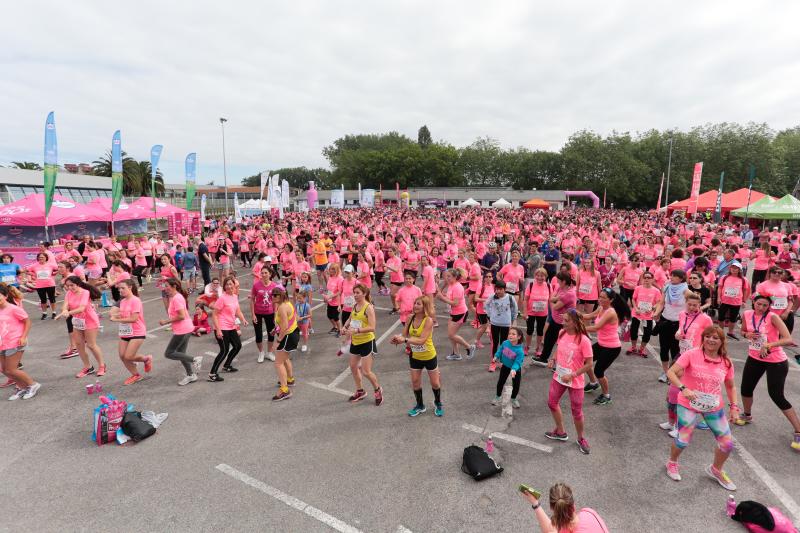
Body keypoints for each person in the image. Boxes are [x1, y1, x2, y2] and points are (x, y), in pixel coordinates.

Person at [665, 326, 739, 490]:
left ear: (721, 341)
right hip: (688, 403)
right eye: (708, 336)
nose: (711, 340)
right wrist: (683, 388)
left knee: (727, 444)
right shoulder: (691, 354)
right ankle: (672, 462)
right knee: (683, 440)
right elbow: (671, 372)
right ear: (703, 338)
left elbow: (731, 386)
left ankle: (716, 470)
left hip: (713, 406)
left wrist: (734, 407)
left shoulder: (726, 362)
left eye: (715, 338)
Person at [737, 294, 800, 451]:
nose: (761, 308)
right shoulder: (747, 314)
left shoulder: (773, 317)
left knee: (777, 395)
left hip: (775, 361)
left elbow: (787, 339)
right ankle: (747, 414)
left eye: (765, 305)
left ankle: (799, 431)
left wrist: (769, 345)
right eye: (759, 304)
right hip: (755, 357)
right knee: (745, 389)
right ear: (754, 303)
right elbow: (743, 331)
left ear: (769, 307)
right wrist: (747, 334)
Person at [546, 309, 593, 454]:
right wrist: (553, 358)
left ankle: (580, 438)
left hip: (575, 380)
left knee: (576, 411)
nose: (563, 322)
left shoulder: (584, 340)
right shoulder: (562, 333)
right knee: (552, 402)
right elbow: (559, 348)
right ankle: (560, 431)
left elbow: (589, 364)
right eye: (563, 319)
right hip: (560, 376)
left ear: (575, 323)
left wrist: (573, 375)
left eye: (566, 321)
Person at [391, 295, 443, 417]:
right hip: (415, 356)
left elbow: (422, 340)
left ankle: (438, 402)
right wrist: (396, 339)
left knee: (435, 383)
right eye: (415, 303)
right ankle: (420, 406)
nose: (415, 306)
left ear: (425, 306)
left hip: (429, 355)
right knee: (415, 382)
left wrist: (404, 341)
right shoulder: (410, 318)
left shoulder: (428, 320)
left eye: (418, 304)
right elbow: (404, 335)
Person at [581, 288, 630, 405]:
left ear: (611, 300)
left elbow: (596, 327)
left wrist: (577, 329)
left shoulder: (611, 312)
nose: (600, 299)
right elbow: (589, 316)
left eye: (603, 297)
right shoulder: (601, 307)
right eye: (600, 296)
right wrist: (575, 314)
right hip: (602, 344)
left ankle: (606, 395)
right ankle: (593, 383)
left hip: (612, 348)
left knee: (599, 371)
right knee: (585, 362)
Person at [56, 276, 106, 378]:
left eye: (72, 285)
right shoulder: (69, 293)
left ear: (78, 284)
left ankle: (102, 365)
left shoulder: (85, 292)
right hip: (77, 321)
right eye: (68, 286)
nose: (70, 288)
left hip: (89, 320)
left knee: (91, 345)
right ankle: (88, 367)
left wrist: (67, 313)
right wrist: (64, 310)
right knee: (79, 345)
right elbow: (65, 305)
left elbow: (81, 308)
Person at [343, 284, 383, 406]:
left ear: (364, 294)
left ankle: (378, 389)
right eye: (354, 292)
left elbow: (372, 327)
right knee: (353, 367)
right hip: (356, 341)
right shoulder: (355, 306)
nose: (355, 295)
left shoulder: (368, 308)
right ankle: (360, 391)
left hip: (367, 342)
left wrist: (357, 330)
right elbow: (350, 319)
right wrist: (344, 327)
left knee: (366, 371)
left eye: (358, 292)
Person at [158, 278, 202, 386]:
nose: (165, 288)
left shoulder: (176, 298)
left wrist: (166, 321)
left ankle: (195, 359)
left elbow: (181, 316)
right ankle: (191, 375)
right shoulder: (175, 297)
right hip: (185, 328)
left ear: (174, 286)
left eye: (167, 286)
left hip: (183, 330)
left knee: (169, 353)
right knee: (181, 354)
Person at [108, 279, 152, 385]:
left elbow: (134, 318)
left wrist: (116, 320)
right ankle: (136, 375)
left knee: (128, 356)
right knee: (122, 356)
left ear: (130, 288)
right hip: (125, 332)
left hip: (137, 332)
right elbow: (124, 314)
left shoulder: (135, 300)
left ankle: (146, 359)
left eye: (123, 288)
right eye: (119, 289)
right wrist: (116, 315)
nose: (120, 291)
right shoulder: (122, 301)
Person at [520, 482, 609, 533]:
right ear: (573, 503)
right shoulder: (588, 512)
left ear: (552, 508)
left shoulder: (563, 530)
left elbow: (549, 530)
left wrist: (535, 503)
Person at [0, 285, 39, 401]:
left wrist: (23, 336)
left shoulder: (13, 308)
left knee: (11, 369)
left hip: (15, 341)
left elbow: (27, 321)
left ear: (6, 296)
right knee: (3, 369)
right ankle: (21, 387)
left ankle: (33, 385)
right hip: (2, 343)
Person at [531, 272, 577, 367]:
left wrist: (552, 302)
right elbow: (551, 298)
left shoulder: (569, 293)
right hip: (555, 319)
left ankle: (560, 365)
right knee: (549, 339)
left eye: (559, 280)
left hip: (563, 323)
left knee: (562, 343)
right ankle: (544, 358)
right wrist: (553, 300)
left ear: (564, 282)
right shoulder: (561, 288)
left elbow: (554, 306)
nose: (557, 282)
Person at [208, 277, 248, 382]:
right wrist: (218, 330)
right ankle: (212, 373)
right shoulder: (222, 298)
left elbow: (237, 310)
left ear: (234, 285)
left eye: (231, 284)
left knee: (237, 346)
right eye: (227, 284)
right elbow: (214, 314)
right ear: (224, 287)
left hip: (231, 326)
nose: (229, 286)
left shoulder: (234, 296)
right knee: (224, 350)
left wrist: (243, 319)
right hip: (222, 327)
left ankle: (227, 365)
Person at [436, 268, 476, 361]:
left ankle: (469, 347)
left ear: (455, 277)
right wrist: (442, 295)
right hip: (454, 313)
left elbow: (455, 303)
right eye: (446, 276)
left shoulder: (457, 287)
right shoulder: (451, 285)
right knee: (451, 334)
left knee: (451, 335)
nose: (447, 278)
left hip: (460, 313)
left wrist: (442, 298)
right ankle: (456, 354)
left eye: (449, 276)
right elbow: (450, 297)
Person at [484, 279, 519, 372]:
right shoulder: (492, 297)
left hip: (506, 325)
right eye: (497, 289)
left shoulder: (510, 298)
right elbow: (486, 305)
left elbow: (515, 309)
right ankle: (493, 362)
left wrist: (513, 320)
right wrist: (490, 314)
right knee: (495, 344)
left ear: (504, 289)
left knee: (505, 344)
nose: (498, 291)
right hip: (494, 324)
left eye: (500, 289)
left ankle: (503, 362)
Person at [272, 286, 299, 401]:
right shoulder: (288, 303)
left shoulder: (282, 307)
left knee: (278, 363)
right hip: (292, 334)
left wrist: (278, 341)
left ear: (280, 296)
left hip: (287, 336)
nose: (272, 297)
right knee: (285, 359)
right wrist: (276, 329)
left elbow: (284, 327)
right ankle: (290, 379)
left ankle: (285, 390)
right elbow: (291, 320)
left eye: (274, 295)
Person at [251, 265, 281, 363]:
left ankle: (269, 352)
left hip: (270, 312)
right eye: (262, 273)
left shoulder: (274, 286)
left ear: (270, 274)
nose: (263, 275)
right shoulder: (256, 285)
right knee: (258, 335)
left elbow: (276, 301)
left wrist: (276, 314)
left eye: (265, 273)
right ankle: (261, 352)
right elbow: (252, 299)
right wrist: (253, 314)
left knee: (271, 333)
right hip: (258, 312)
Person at [628, 270, 661, 357]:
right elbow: (633, 299)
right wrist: (635, 308)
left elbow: (659, 302)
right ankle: (633, 347)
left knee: (647, 333)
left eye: (648, 278)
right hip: (637, 314)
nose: (646, 279)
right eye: (644, 277)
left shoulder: (656, 291)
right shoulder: (638, 288)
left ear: (652, 279)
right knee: (633, 331)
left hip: (648, 316)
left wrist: (653, 308)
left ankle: (642, 349)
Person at [491, 326, 526, 408]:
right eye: (509, 333)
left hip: (515, 370)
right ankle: (498, 396)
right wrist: (496, 356)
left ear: (519, 337)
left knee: (516, 384)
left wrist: (514, 369)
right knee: (500, 382)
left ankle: (513, 399)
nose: (510, 335)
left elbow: (518, 362)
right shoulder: (505, 343)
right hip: (505, 367)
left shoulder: (520, 351)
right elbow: (500, 350)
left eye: (513, 334)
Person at [717, 260, 749, 340]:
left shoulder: (743, 279)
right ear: (730, 268)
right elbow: (720, 288)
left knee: (733, 318)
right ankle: (721, 332)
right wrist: (718, 297)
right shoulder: (724, 277)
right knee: (721, 317)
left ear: (739, 270)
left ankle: (730, 332)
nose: (734, 270)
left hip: (736, 302)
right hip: (724, 301)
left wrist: (744, 301)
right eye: (733, 268)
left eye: (736, 268)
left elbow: (745, 290)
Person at [524, 268, 550, 357]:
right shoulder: (531, 285)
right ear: (535, 276)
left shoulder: (548, 286)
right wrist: (525, 312)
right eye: (538, 275)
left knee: (540, 331)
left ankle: (538, 348)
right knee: (529, 330)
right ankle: (527, 347)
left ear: (545, 277)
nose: (539, 278)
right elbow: (525, 299)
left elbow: (551, 301)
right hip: (530, 312)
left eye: (542, 276)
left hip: (543, 313)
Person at [28, 252, 57, 320]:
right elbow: (27, 271)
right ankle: (44, 313)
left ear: (46, 258)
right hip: (40, 285)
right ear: (37, 258)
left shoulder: (51, 265)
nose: (41, 258)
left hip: (50, 284)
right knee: (43, 300)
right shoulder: (34, 265)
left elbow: (57, 270)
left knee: (52, 298)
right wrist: (33, 274)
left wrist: (53, 273)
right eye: (40, 257)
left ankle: (54, 312)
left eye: (43, 257)